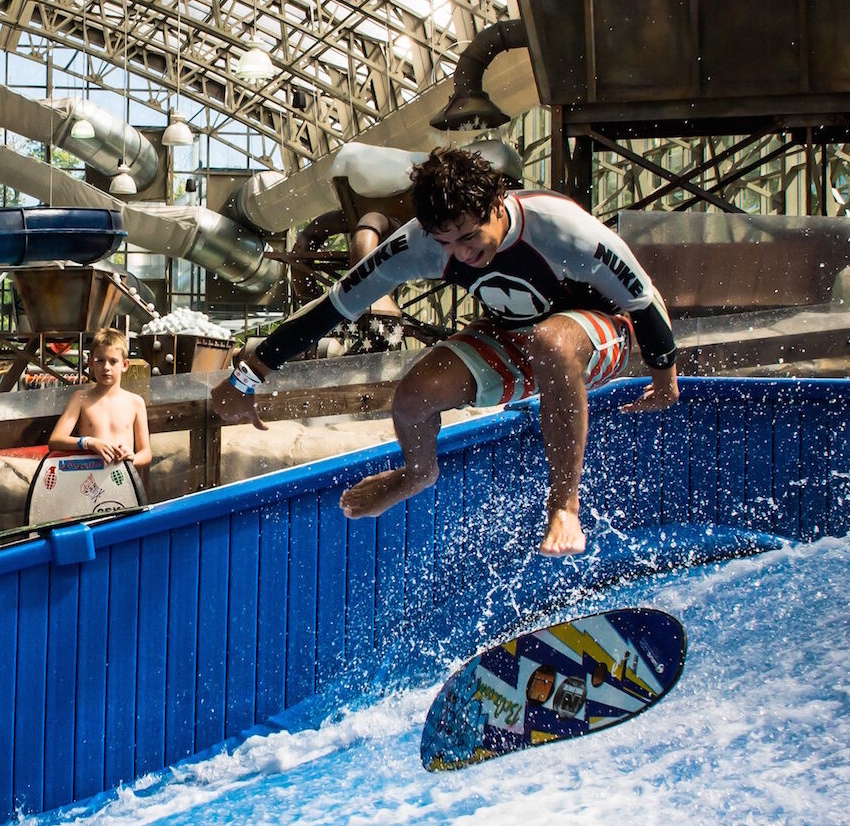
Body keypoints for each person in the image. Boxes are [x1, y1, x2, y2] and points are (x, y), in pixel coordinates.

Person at [208, 148, 680, 556]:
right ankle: (417, 474)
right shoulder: (420, 243)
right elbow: (332, 308)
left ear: (497, 204)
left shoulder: (559, 227)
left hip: (602, 332)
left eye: (470, 237)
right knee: (413, 396)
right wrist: (246, 378)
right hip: (513, 331)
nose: (462, 253)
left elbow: (643, 297)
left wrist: (664, 375)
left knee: (551, 342)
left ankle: (564, 506)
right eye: (446, 242)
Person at [47, 327, 151, 473]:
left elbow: (146, 453)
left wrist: (132, 458)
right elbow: (55, 440)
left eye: (113, 361)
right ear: (90, 363)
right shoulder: (80, 398)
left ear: (125, 365)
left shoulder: (136, 403)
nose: (106, 367)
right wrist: (89, 442)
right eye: (100, 361)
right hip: (89, 481)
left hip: (124, 479)